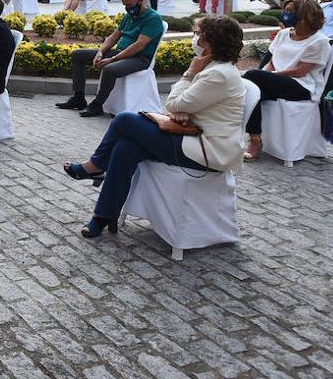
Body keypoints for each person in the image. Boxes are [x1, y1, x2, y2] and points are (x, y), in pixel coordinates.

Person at [63, 14, 248, 238]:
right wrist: (182, 111)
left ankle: (94, 166)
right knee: (125, 148)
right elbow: (180, 108)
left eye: (199, 34)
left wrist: (190, 73)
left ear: (211, 41)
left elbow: (174, 103)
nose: (195, 38)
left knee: (124, 120)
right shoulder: (214, 69)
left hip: (207, 151)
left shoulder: (218, 74)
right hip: (192, 136)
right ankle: (103, 216)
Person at [242, 0, 332, 161]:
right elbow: (272, 61)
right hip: (278, 81)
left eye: (290, 11)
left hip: (301, 86)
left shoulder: (320, 41)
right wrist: (266, 74)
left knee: (251, 76)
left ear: (304, 15)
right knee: (252, 91)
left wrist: (268, 76)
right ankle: (255, 139)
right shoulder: (283, 34)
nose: (284, 14)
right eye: (285, 10)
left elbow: (301, 71)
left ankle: (253, 141)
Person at [56, 0, 166, 117]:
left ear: (141, 0)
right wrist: (100, 52)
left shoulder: (153, 18)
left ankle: (97, 105)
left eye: (130, 5)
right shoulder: (130, 15)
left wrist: (113, 59)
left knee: (109, 69)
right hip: (120, 53)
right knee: (77, 55)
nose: (128, 8)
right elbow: (114, 36)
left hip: (139, 58)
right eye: (125, 5)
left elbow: (139, 45)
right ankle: (78, 98)